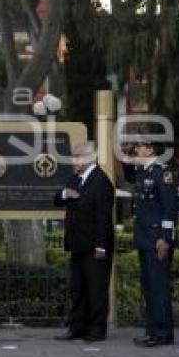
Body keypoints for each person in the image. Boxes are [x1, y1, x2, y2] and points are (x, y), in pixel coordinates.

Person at [53, 143, 115, 342]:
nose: (73, 161)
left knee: (96, 289)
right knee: (78, 288)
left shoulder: (101, 181)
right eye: (73, 157)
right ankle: (77, 327)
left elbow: (103, 217)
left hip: (94, 246)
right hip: (77, 244)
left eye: (77, 157)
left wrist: (101, 245)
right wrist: (65, 194)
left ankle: (96, 329)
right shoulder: (75, 179)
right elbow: (57, 199)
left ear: (90, 158)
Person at [127, 139, 178, 347]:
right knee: (149, 288)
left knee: (159, 288)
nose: (136, 149)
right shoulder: (144, 172)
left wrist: (165, 238)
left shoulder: (163, 173)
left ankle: (163, 333)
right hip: (145, 238)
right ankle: (152, 330)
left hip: (157, 239)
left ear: (150, 150)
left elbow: (170, 208)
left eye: (139, 147)